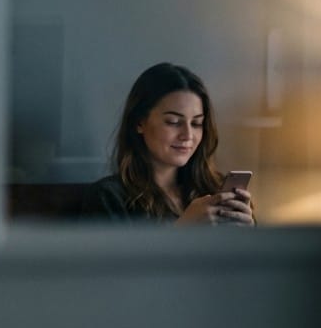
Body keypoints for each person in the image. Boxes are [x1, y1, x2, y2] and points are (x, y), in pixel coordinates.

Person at [80, 62, 255, 225]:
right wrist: (182, 230)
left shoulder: (215, 190)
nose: (187, 135)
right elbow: (114, 259)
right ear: (140, 122)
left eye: (196, 124)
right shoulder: (108, 198)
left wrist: (249, 236)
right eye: (173, 122)